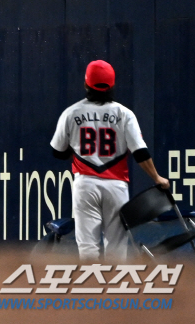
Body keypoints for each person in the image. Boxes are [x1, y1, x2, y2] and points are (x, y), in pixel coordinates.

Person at [50, 60, 169, 261]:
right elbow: (140, 153)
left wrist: (77, 148)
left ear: (86, 85)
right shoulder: (124, 114)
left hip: (85, 184)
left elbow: (57, 152)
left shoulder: (72, 113)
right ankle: (115, 290)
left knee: (87, 247)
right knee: (117, 247)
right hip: (116, 185)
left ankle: (90, 290)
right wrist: (156, 177)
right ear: (112, 85)